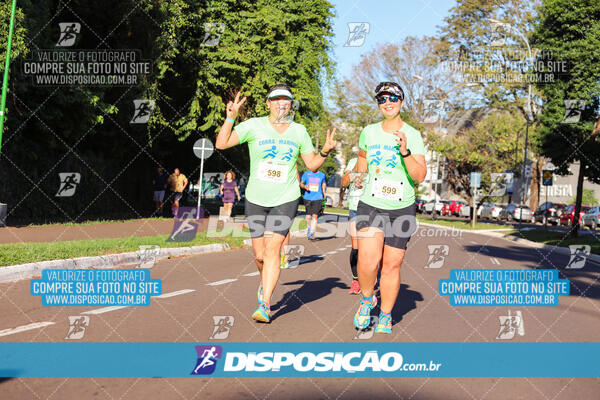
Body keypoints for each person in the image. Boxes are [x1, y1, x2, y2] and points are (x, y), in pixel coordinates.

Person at [215, 84, 336, 323]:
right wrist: (230, 118)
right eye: (276, 100)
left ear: (291, 106)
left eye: (286, 101)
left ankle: (265, 303)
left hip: (286, 198)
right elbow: (221, 143)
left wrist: (324, 151)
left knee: (273, 251)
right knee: (259, 256)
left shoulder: (299, 131)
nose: (282, 104)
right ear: (268, 104)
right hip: (256, 199)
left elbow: (311, 165)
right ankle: (265, 283)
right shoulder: (253, 126)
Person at [352, 82, 427, 334]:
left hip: (401, 207)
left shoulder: (413, 135)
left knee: (391, 265)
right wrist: (357, 176)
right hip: (371, 203)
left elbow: (420, 176)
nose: (387, 102)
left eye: (393, 98)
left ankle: (385, 315)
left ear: (402, 102)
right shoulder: (369, 132)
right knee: (367, 259)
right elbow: (362, 160)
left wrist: (405, 152)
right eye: (382, 99)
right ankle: (366, 299)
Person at [341, 156, 361, 294]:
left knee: (373, 247)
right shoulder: (354, 161)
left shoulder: (380, 160)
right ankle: (356, 280)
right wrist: (354, 173)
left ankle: (370, 276)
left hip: (375, 208)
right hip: (355, 207)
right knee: (356, 246)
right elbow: (344, 182)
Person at [300, 168, 327, 240]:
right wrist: (304, 186)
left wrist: (324, 192)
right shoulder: (306, 173)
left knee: (315, 215)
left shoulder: (322, 175)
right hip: (308, 197)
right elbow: (301, 183)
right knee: (308, 215)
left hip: (318, 197)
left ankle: (311, 232)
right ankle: (309, 228)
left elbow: (324, 183)